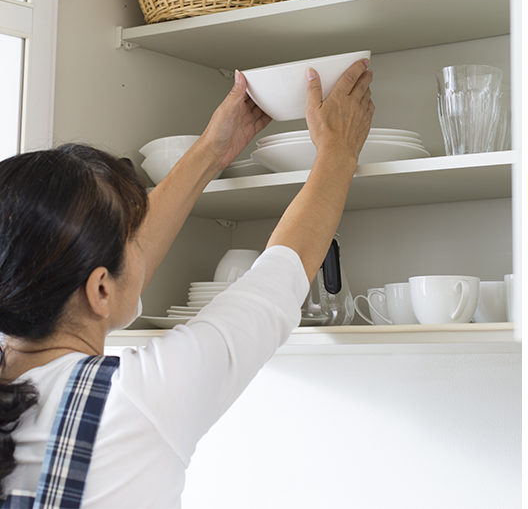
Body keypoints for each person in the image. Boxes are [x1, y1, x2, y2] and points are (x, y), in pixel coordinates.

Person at [0, 58, 373, 507]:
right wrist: (338, 151)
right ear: (100, 290)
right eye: (132, 241)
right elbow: (281, 274)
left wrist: (213, 149)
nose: (141, 246)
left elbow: (113, 266)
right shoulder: (137, 400)